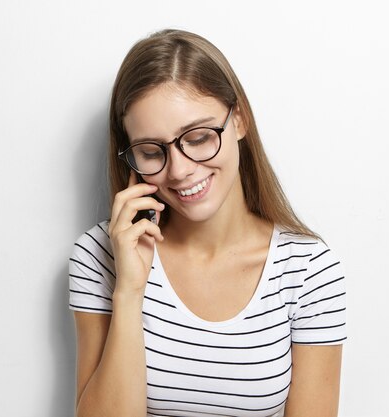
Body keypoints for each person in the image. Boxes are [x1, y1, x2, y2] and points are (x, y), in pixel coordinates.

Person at [69, 29, 347, 417]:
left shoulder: (308, 269)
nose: (180, 171)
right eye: (151, 151)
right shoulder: (99, 255)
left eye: (198, 137)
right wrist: (129, 291)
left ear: (239, 120)